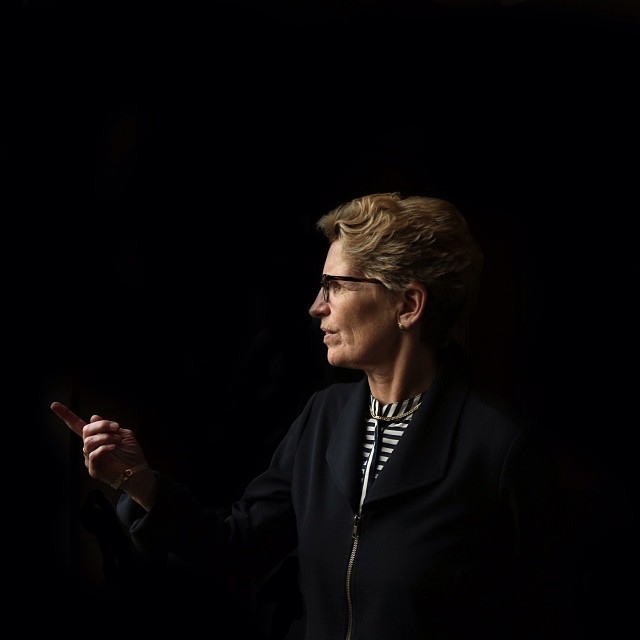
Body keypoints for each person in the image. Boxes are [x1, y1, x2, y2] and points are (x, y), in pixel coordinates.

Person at [51, 192, 579, 639]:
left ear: (409, 305)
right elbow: (238, 550)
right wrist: (137, 480)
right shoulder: (324, 418)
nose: (315, 306)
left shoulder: (500, 449)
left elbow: (546, 615)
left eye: (336, 286)